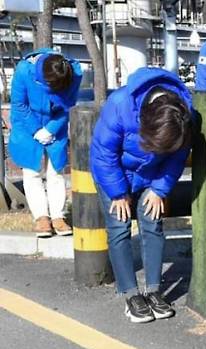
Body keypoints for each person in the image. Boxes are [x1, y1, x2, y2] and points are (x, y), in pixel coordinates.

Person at [90, 67, 194, 323]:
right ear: (144, 119)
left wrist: (160, 189)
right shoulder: (120, 104)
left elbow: (178, 156)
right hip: (114, 173)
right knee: (119, 227)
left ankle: (153, 291)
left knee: (153, 224)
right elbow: (103, 155)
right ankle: (131, 294)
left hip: (153, 175)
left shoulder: (184, 114)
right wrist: (117, 193)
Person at [8, 49, 82, 237]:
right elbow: (19, 104)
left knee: (56, 169)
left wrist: (50, 129)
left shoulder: (73, 74)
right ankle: (41, 217)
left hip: (55, 123)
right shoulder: (24, 70)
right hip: (26, 123)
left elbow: (67, 105)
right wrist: (36, 129)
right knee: (31, 171)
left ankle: (58, 215)